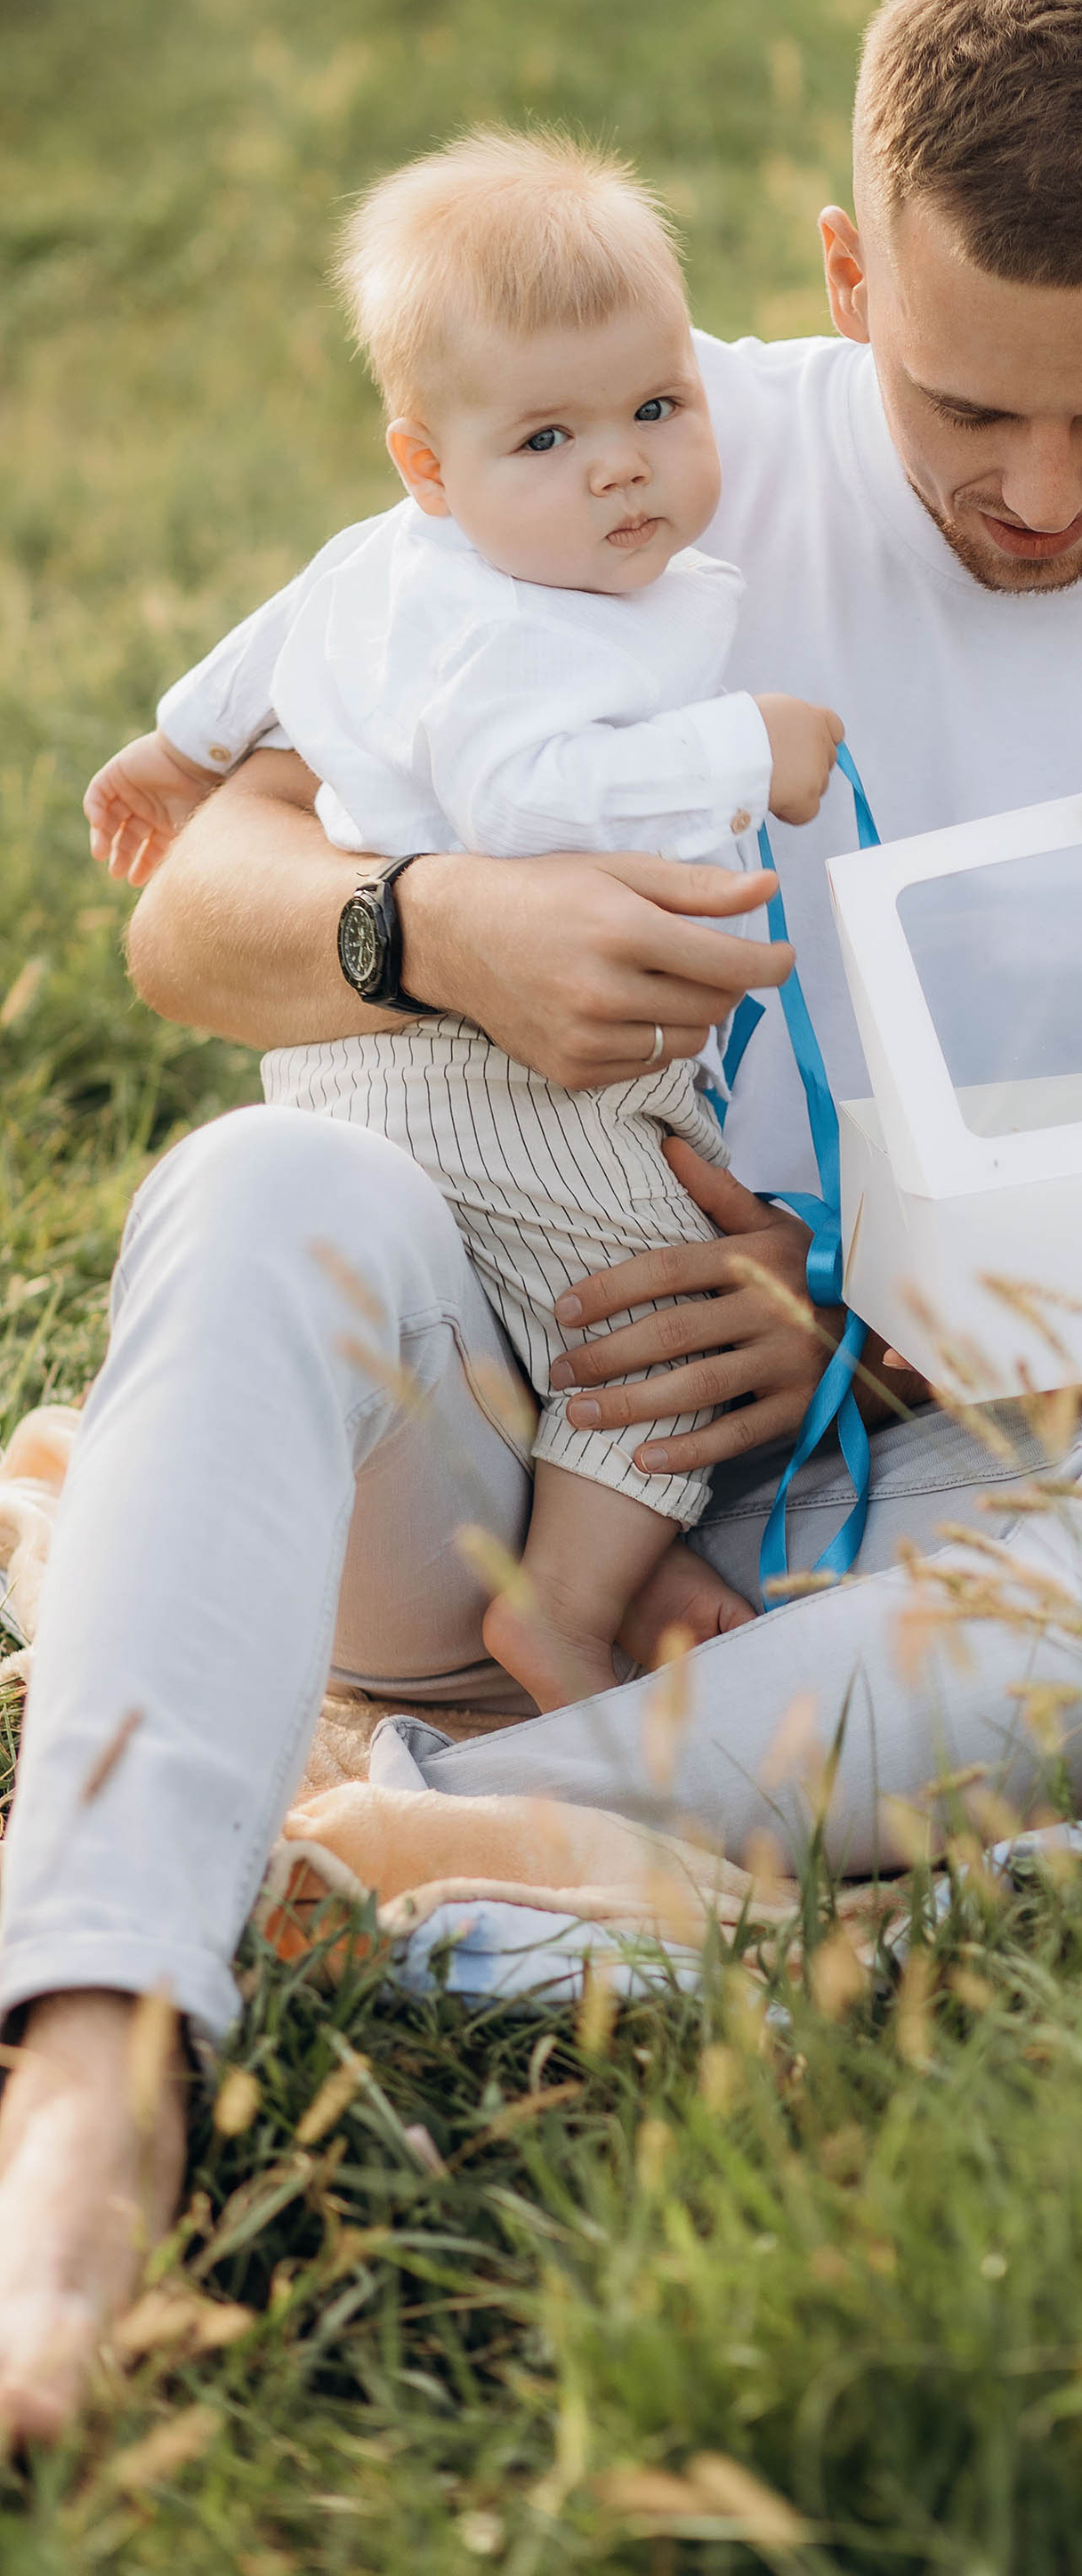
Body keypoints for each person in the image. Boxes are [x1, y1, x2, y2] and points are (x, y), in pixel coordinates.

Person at [0, 0, 1082, 2442]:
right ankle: (90, 2088)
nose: (1036, 490)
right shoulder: (637, 449)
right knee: (257, 1209)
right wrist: (420, 927)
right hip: (473, 1421)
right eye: (967, 402)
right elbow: (188, 918)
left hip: (870, 1494)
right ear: (843, 276)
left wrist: (881, 1334)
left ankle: (385, 1840)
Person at [85, 129, 848, 1709]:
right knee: (656, 1313)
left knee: (583, 1310)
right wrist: (743, 746)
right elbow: (526, 802)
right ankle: (566, 1608)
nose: (621, 466)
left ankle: (582, 1558)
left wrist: (173, 747)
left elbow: (262, 657)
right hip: (501, 1066)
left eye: (656, 409)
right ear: (430, 463)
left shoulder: (391, 561)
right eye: (550, 438)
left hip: (359, 1061)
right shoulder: (532, 632)